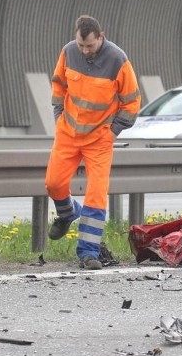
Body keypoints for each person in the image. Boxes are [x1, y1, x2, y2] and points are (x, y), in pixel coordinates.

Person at [45, 15, 141, 269]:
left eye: (90, 45)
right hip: (68, 133)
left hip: (99, 138)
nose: (85, 50)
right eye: (81, 45)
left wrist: (113, 132)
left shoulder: (118, 60)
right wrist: (58, 118)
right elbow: (58, 87)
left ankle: (87, 252)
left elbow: (131, 101)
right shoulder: (68, 52)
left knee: (96, 194)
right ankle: (67, 213)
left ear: (101, 36)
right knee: (54, 183)